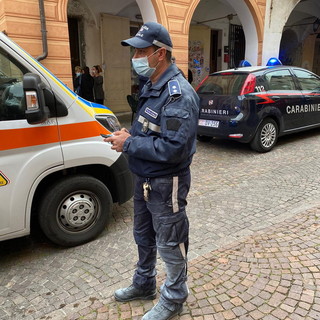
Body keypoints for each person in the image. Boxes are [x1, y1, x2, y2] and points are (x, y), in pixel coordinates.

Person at [104, 22, 200, 320]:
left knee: (170, 240)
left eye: (141, 51)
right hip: (144, 178)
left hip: (164, 182)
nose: (136, 57)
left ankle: (174, 298)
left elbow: (174, 149)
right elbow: (148, 128)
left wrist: (130, 143)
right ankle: (144, 283)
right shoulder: (153, 85)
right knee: (143, 236)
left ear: (160, 54)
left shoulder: (177, 94)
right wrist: (127, 134)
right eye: (134, 51)